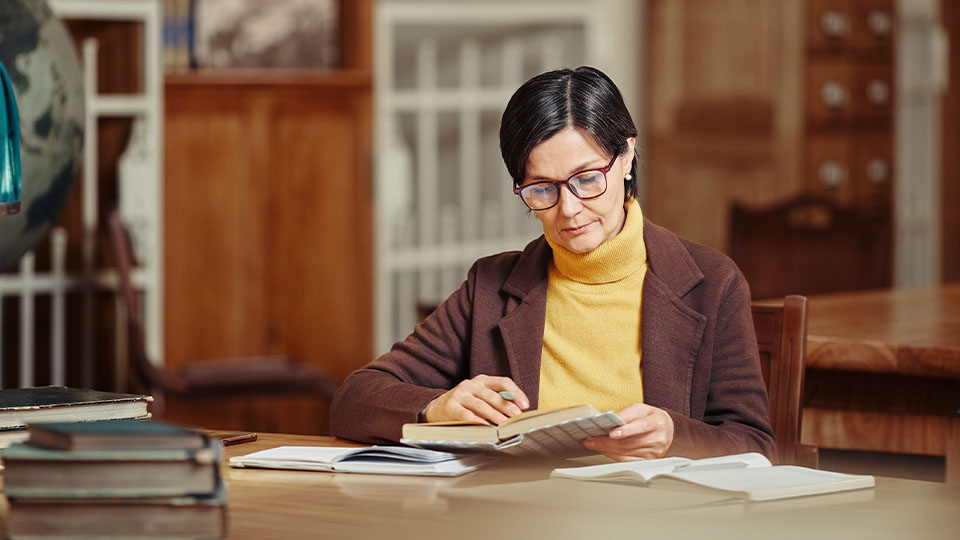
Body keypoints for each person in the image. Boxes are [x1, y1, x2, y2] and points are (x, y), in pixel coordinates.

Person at [331, 66, 775, 462]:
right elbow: (355, 399)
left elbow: (754, 443)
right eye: (542, 189)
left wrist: (674, 437)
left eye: (586, 180)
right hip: (518, 517)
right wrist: (436, 407)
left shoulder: (711, 282)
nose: (569, 210)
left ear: (626, 157)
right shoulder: (491, 285)